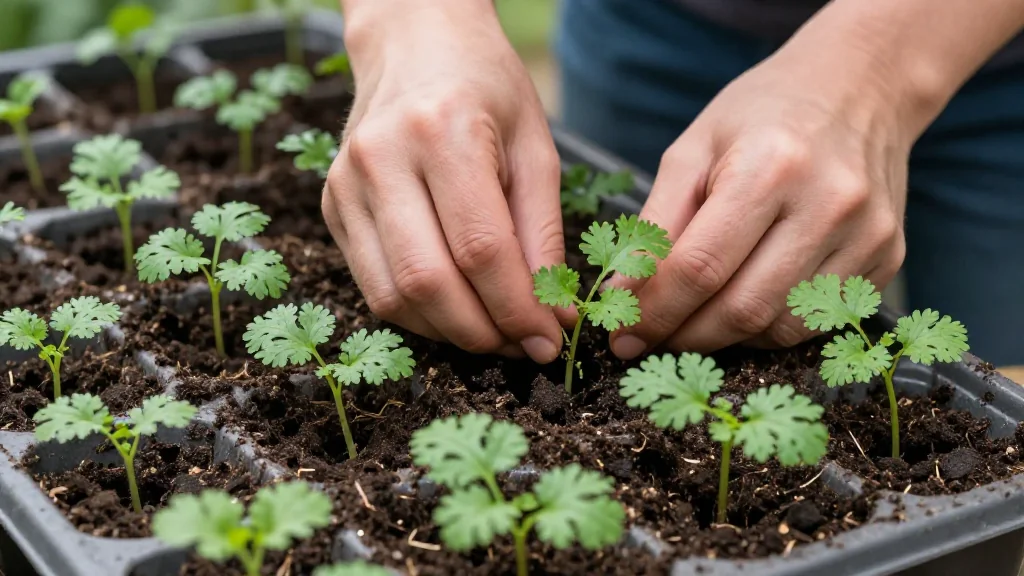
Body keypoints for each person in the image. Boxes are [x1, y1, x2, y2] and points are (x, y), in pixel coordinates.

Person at [322, 0, 1024, 367]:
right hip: (647, 23)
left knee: (998, 379)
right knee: (683, 283)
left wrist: (878, 67)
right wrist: (413, 22)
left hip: (995, 69)